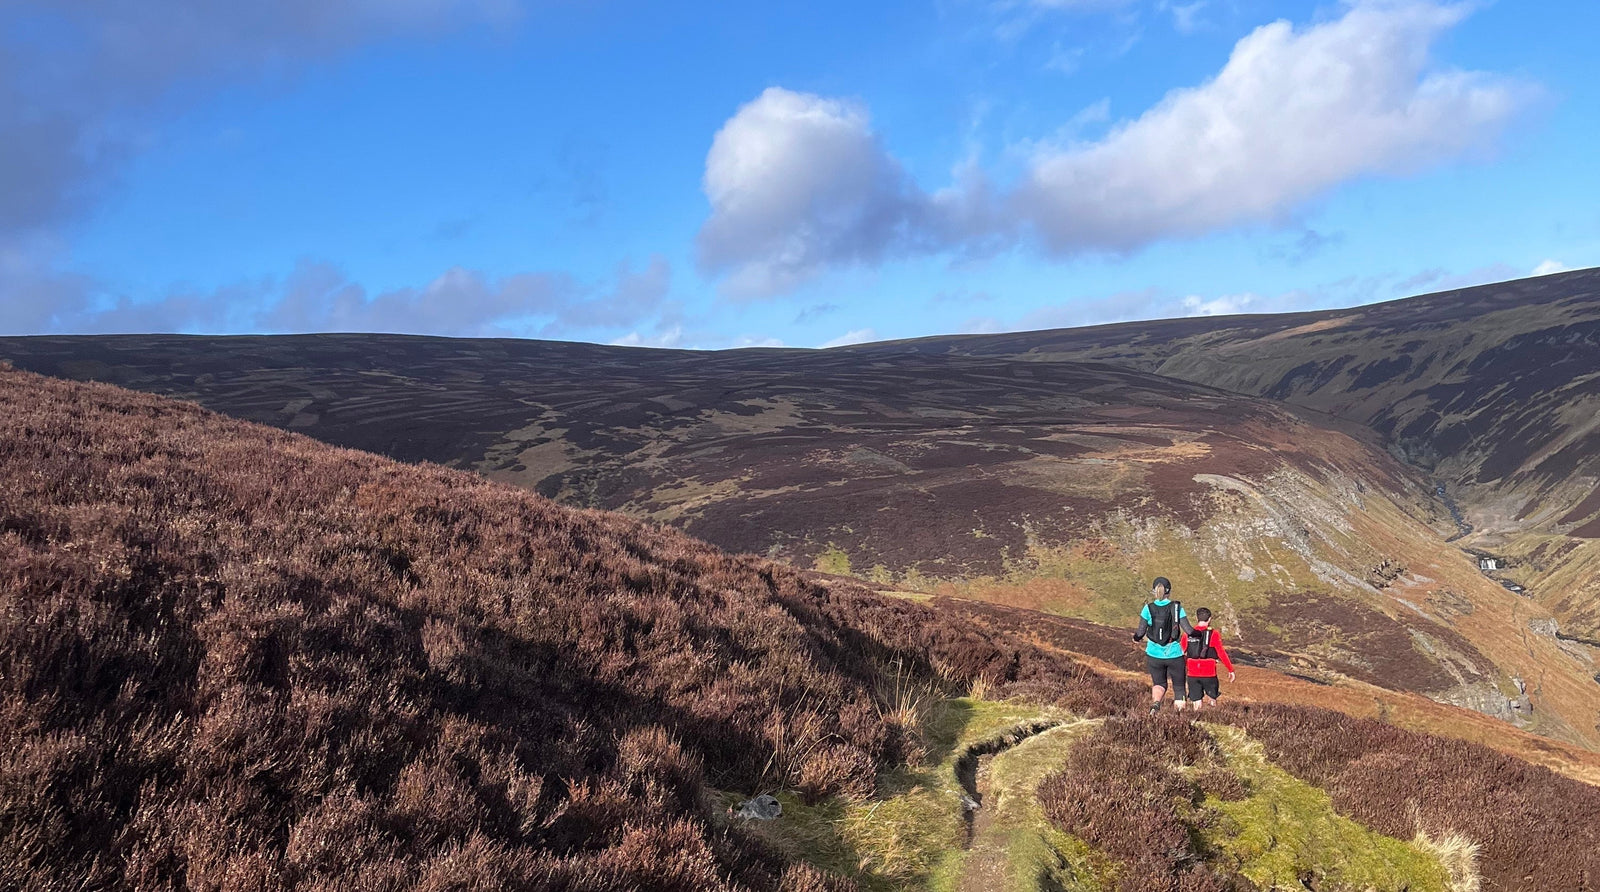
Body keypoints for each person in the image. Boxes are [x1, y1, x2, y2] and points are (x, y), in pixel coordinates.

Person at [1132, 577, 1194, 714]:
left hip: (1154, 654)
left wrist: (1135, 639)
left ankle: (1155, 705)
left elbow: (1141, 631)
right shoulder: (1176, 608)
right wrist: (1199, 636)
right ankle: (1179, 717)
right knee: (1179, 687)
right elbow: (1188, 630)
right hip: (1174, 654)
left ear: (1154, 591)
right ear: (1169, 591)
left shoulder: (1147, 608)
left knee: (1159, 684)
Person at [1182, 607, 1235, 710]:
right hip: (1209, 672)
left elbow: (1181, 652)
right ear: (1210, 619)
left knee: (1196, 701)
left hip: (1192, 672)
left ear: (1197, 618)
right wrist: (1230, 669)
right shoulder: (1214, 634)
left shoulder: (1187, 634)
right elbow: (1221, 652)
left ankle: (1197, 720)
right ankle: (1212, 716)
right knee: (1212, 698)